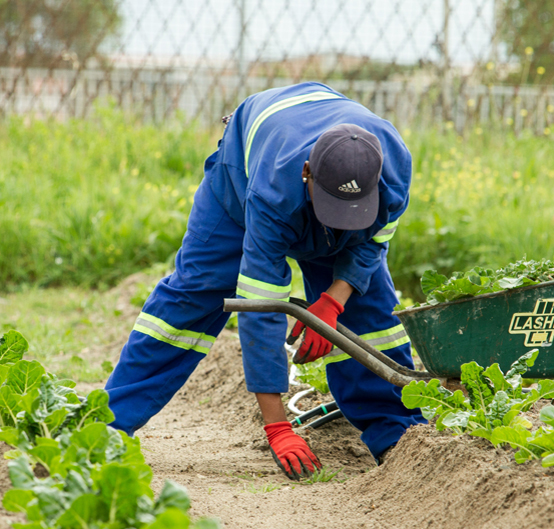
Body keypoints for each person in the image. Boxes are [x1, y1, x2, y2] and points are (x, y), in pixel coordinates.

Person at [105, 81, 426, 480]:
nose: (338, 223)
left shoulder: (393, 170)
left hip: (322, 164)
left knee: (368, 312)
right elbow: (262, 308)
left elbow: (372, 244)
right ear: (307, 174)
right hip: (243, 174)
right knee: (195, 293)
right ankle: (109, 425)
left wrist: (334, 301)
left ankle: (397, 433)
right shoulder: (273, 190)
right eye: (331, 209)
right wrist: (277, 425)